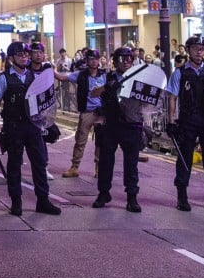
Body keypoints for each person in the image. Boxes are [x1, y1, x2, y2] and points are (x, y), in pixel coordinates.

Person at [0, 41, 61, 216]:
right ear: (11, 58)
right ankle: (16, 202)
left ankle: (43, 200)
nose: (25, 57)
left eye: (26, 54)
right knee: (14, 165)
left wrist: (49, 123)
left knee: (39, 164)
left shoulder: (35, 77)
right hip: (13, 128)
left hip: (33, 127)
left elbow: (43, 103)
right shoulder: (4, 78)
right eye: (21, 55)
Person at [165, 35, 204, 212]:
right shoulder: (180, 72)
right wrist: (171, 122)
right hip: (188, 120)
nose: (199, 51)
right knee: (185, 158)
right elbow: (172, 97)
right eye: (195, 48)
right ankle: (182, 197)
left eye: (202, 48)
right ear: (188, 51)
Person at [91, 47, 143, 212]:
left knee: (131, 163)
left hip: (132, 124)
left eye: (130, 58)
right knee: (106, 161)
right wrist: (108, 87)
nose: (127, 62)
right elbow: (93, 93)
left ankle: (132, 197)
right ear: (115, 61)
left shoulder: (139, 77)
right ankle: (103, 193)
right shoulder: (107, 77)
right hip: (111, 123)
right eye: (123, 59)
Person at [54, 49, 104, 178]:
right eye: (91, 59)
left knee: (101, 141)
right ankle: (75, 167)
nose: (94, 62)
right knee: (80, 141)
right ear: (86, 61)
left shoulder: (104, 75)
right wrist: (52, 69)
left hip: (101, 113)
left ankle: (99, 168)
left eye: (96, 59)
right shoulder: (80, 75)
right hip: (86, 112)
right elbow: (61, 77)